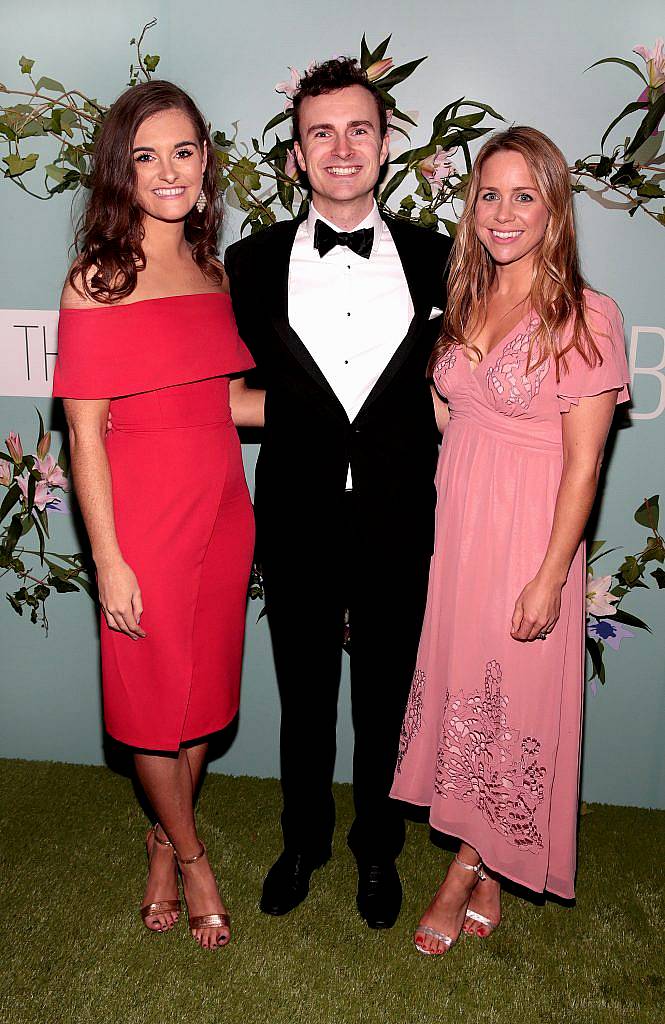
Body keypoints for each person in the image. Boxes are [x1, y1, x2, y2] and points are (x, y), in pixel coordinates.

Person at [390, 126, 631, 954]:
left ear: (553, 208)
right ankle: (486, 859)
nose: (502, 212)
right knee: (470, 698)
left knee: (513, 700)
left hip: (529, 539)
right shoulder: (463, 297)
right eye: (488, 194)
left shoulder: (586, 314)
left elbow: (584, 467)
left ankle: (460, 874)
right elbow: (449, 407)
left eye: (523, 195)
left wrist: (547, 576)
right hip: (460, 532)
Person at [224, 58, 452, 929]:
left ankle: (376, 850)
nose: (341, 147)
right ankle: (302, 841)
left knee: (387, 693)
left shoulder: (442, 259)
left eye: (359, 129)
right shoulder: (247, 265)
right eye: (321, 131)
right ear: (295, 156)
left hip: (402, 515)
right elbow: (227, 395)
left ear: (386, 146)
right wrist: (315, 423)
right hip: (296, 512)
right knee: (304, 691)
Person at [52, 80, 257, 951]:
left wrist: (349, 405)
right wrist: (109, 558)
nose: (168, 170)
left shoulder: (212, 271)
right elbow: (84, 431)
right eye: (145, 155)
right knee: (147, 708)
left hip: (221, 505)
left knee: (203, 699)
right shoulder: (98, 279)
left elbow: (233, 404)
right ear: (119, 170)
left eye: (183, 151)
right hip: (141, 517)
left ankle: (162, 843)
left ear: (205, 161)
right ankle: (192, 853)